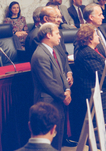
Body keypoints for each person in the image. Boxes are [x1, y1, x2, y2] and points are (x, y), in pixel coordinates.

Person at [71, 3, 106, 141]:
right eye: (100, 14)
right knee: (97, 129)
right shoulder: (84, 44)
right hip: (94, 91)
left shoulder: (100, 30)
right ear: (91, 17)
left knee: (103, 126)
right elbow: (96, 71)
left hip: (102, 91)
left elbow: (104, 51)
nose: (103, 17)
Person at [31, 22, 71, 151]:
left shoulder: (54, 51)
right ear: (48, 35)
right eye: (57, 33)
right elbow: (48, 82)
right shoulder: (40, 55)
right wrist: (63, 96)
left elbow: (61, 73)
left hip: (58, 100)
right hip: (48, 103)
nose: (60, 36)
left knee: (57, 140)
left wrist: (68, 90)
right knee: (49, 144)